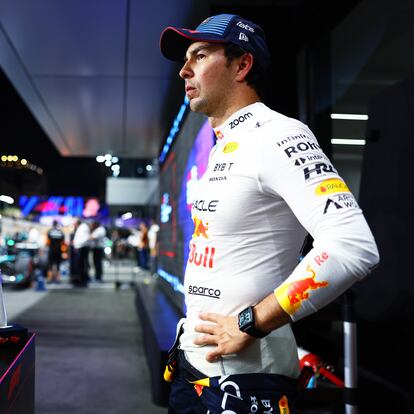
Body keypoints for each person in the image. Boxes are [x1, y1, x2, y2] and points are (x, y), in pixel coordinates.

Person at [160, 13, 380, 413]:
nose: (184, 70)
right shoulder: (229, 144)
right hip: (196, 373)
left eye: (201, 55)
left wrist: (252, 321)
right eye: (185, 59)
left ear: (242, 65)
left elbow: (353, 245)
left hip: (243, 382)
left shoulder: (279, 134)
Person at [72, 219, 91, 287]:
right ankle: (82, 280)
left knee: (81, 265)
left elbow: (85, 238)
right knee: (80, 265)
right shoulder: (81, 227)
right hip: (81, 248)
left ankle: (83, 281)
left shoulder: (83, 227)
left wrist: (78, 246)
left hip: (82, 248)